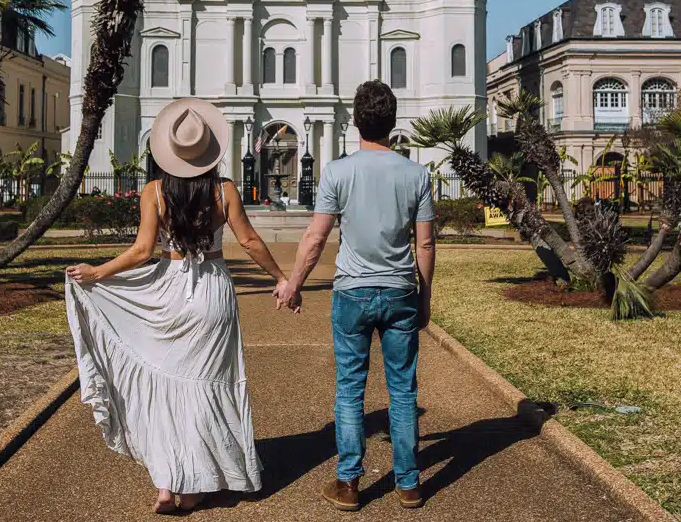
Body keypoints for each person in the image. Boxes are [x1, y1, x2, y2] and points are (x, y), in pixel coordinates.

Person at [66, 98, 289, 514]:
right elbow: (250, 241)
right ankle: (196, 483)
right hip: (213, 295)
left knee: (170, 385)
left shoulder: (154, 191)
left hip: (171, 292)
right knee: (207, 388)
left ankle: (168, 484)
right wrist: (281, 278)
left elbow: (141, 251)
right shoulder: (224, 191)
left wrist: (98, 273)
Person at [275, 80, 436, 511]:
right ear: (393, 121)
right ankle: (408, 483)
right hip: (401, 290)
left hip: (353, 293)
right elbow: (424, 244)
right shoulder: (417, 174)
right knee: (402, 390)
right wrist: (425, 295)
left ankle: (349, 483)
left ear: (355, 120)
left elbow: (315, 237)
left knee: (350, 389)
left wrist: (294, 284)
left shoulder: (338, 172)